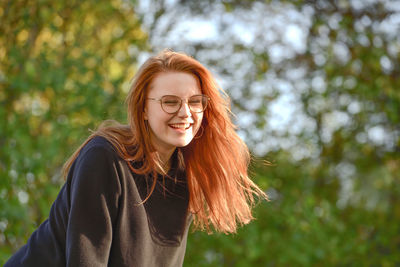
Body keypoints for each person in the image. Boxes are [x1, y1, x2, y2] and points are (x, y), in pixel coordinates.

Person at [5, 50, 267, 266]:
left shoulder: (184, 174)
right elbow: (87, 260)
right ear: (143, 109)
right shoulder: (105, 157)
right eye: (170, 102)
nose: (186, 113)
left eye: (195, 102)